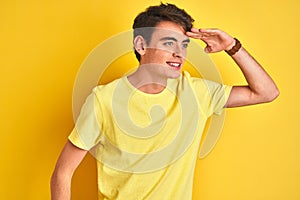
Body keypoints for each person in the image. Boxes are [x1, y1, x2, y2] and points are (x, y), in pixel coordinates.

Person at [50, 3, 279, 200]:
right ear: (141, 46)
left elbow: (266, 92)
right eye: (169, 43)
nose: (180, 53)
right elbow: (63, 172)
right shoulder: (103, 99)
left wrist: (232, 46)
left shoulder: (195, 92)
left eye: (184, 45)